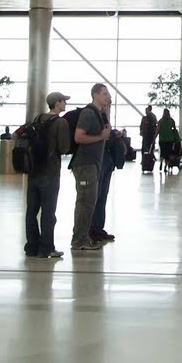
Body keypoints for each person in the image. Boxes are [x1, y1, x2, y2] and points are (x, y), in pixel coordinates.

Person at [24, 92, 72, 260]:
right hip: (50, 172)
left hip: (33, 171)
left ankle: (32, 246)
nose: (65, 104)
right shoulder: (61, 122)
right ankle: (46, 248)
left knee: (31, 211)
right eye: (63, 101)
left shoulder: (38, 119)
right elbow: (64, 148)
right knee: (48, 212)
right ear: (57, 103)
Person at [69, 84, 112, 252]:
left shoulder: (99, 114)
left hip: (93, 164)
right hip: (85, 165)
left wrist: (107, 113)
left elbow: (106, 133)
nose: (107, 96)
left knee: (90, 202)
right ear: (95, 95)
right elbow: (79, 137)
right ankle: (79, 239)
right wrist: (100, 136)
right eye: (104, 94)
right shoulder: (88, 113)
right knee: (85, 202)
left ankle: (84, 237)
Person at [92, 126, 128, 244]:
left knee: (102, 197)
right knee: (95, 196)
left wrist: (113, 134)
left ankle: (98, 228)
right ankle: (91, 230)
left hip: (108, 157)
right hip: (98, 158)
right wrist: (110, 134)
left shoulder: (103, 118)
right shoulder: (91, 117)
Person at [158, 108, 182, 173]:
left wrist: (155, 137)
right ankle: (165, 166)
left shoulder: (160, 121)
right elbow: (174, 129)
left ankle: (161, 162)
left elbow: (158, 130)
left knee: (162, 152)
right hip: (170, 139)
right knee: (168, 154)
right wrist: (176, 138)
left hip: (162, 139)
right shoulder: (171, 121)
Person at [140, 106, 158, 175]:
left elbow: (154, 125)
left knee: (148, 147)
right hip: (147, 135)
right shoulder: (146, 118)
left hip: (149, 135)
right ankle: (146, 159)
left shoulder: (150, 117)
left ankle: (148, 159)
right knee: (147, 147)